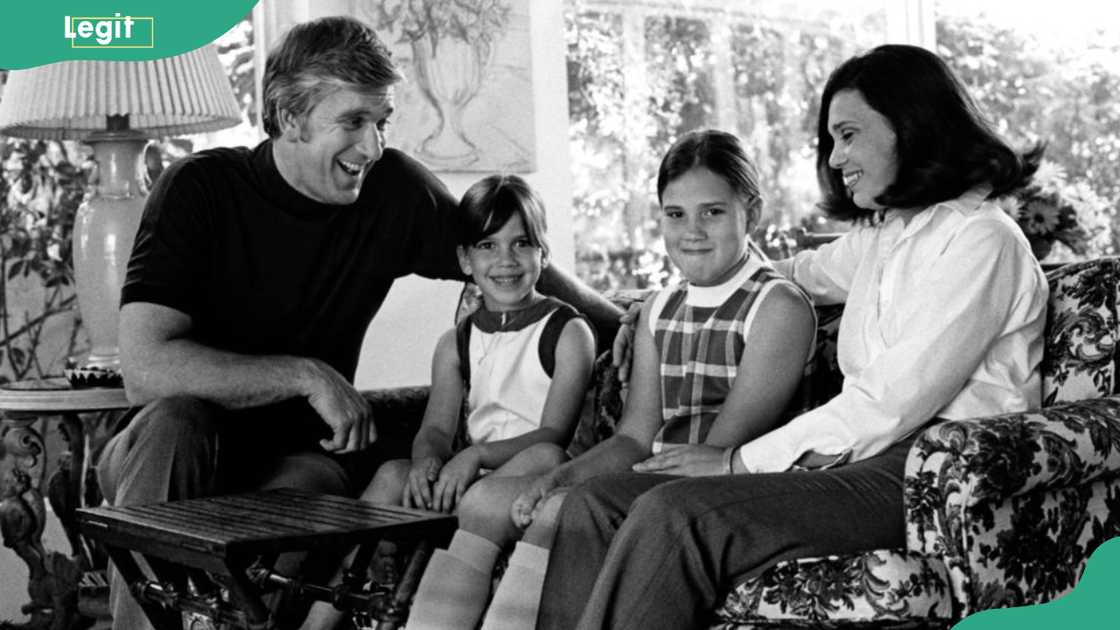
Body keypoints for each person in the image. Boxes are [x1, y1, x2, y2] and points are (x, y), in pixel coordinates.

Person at [95, 16, 621, 630]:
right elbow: (146, 371)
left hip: (300, 457)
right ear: (290, 116)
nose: (371, 147)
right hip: (171, 453)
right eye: (352, 122)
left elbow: (503, 257)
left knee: (321, 485)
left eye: (381, 122)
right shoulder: (200, 188)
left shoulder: (391, 188)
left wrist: (632, 322)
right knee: (176, 419)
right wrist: (307, 376)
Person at [538, 44, 1049, 630]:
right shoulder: (892, 234)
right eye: (832, 140)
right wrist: (653, 305)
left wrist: (737, 462)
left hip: (928, 472)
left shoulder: (982, 242)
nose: (836, 159)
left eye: (849, 135)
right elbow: (787, 274)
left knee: (676, 515)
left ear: (910, 127)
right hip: (860, 459)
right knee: (592, 503)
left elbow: (889, 402)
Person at [403, 129, 816, 630]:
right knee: (553, 500)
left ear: (752, 211)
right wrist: (556, 479)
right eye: (675, 214)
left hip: (726, 486)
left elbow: (721, 450)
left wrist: (574, 490)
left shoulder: (776, 307)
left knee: (569, 512)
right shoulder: (660, 308)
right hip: (660, 478)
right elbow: (635, 437)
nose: (693, 231)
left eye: (713, 212)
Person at [299, 174, 596, 630]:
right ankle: (319, 619)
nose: (506, 261)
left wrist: (474, 455)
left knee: (546, 451)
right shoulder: (455, 342)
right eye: (487, 246)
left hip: (530, 469)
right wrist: (427, 463)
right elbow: (435, 429)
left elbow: (555, 432)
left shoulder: (567, 331)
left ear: (544, 253)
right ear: (464, 259)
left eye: (522, 244)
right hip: (471, 471)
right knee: (390, 474)